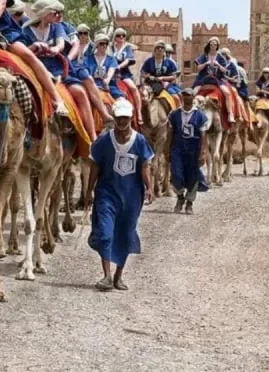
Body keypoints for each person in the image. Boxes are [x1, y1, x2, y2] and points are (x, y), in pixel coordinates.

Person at [84, 97, 154, 291]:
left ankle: (118, 276)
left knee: (125, 234)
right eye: (119, 118)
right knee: (106, 233)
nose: (122, 122)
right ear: (114, 117)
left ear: (131, 118)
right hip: (107, 193)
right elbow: (95, 166)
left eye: (125, 118)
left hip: (132, 196)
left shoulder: (139, 141)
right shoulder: (104, 141)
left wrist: (149, 187)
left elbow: (145, 166)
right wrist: (89, 191)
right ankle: (106, 275)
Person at [19, 0, 99, 140]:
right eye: (55, 13)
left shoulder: (56, 27)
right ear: (45, 13)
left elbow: (61, 43)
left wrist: (55, 49)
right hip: (34, 68)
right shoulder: (25, 30)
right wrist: (34, 47)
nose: (58, 16)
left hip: (57, 68)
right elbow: (24, 50)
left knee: (80, 92)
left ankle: (91, 137)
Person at [165, 88, 209, 214]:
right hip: (178, 147)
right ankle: (180, 197)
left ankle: (189, 202)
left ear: (193, 97)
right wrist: (167, 150)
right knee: (176, 173)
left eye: (189, 95)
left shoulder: (200, 116)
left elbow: (203, 136)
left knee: (192, 176)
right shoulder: (174, 114)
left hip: (193, 148)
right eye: (184, 95)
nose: (187, 98)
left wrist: (203, 153)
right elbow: (170, 133)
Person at [192, 36, 235, 123]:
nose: (213, 46)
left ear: (217, 46)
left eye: (215, 44)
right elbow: (198, 68)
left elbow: (224, 70)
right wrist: (206, 63)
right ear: (209, 45)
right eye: (211, 44)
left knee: (227, 93)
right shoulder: (204, 56)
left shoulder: (220, 57)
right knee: (192, 92)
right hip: (203, 79)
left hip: (217, 80)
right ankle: (188, 111)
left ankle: (230, 113)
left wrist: (218, 65)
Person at [112, 28, 143, 123]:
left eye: (123, 35)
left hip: (123, 73)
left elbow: (128, 60)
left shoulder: (127, 48)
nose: (121, 37)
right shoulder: (110, 47)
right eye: (118, 35)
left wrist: (118, 66)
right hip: (110, 74)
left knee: (133, 88)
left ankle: (138, 112)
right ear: (115, 38)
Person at [84, 34, 125, 100]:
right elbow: (85, 73)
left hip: (109, 86)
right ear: (96, 45)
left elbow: (110, 72)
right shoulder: (87, 59)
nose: (105, 45)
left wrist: (106, 82)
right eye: (102, 43)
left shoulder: (112, 59)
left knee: (122, 101)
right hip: (91, 86)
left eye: (106, 43)